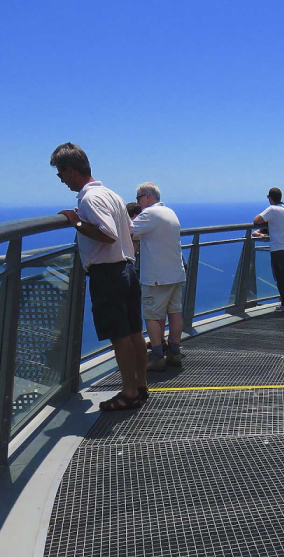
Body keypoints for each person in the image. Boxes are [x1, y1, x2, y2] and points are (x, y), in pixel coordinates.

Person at [50, 142, 147, 411]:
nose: (61, 180)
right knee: (134, 331)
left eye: (61, 174)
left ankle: (129, 393)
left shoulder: (90, 198)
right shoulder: (112, 195)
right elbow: (128, 230)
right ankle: (140, 385)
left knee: (120, 336)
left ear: (70, 170)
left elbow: (108, 234)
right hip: (127, 268)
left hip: (108, 273)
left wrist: (76, 221)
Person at [131, 183, 187, 370]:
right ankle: (174, 352)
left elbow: (127, 231)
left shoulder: (149, 214)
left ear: (147, 197)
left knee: (152, 316)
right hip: (176, 272)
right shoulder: (170, 212)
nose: (138, 203)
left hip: (156, 277)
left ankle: (157, 356)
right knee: (175, 313)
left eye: (138, 198)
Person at [253, 188, 284, 313]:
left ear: (270, 198)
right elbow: (278, 224)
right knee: (283, 277)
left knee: (280, 277)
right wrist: (264, 231)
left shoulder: (272, 209)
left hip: (278, 248)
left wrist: (260, 230)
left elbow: (256, 220)